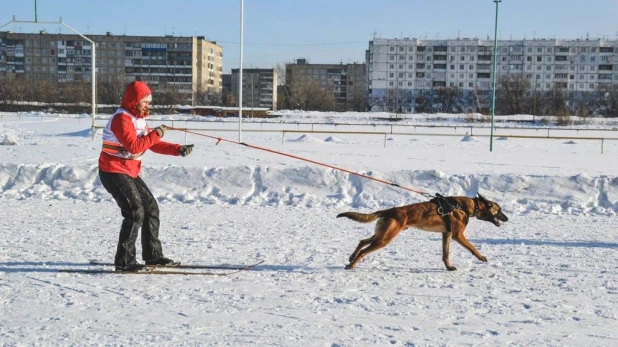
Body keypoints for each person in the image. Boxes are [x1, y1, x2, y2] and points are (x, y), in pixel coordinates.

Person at [98, 81, 194, 272]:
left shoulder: (138, 120)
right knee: (135, 212)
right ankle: (124, 261)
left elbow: (150, 143)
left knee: (151, 208)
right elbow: (135, 146)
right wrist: (156, 133)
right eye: (145, 102)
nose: (148, 106)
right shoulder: (121, 119)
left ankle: (153, 256)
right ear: (134, 101)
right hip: (113, 171)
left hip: (129, 171)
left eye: (149, 102)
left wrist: (177, 150)